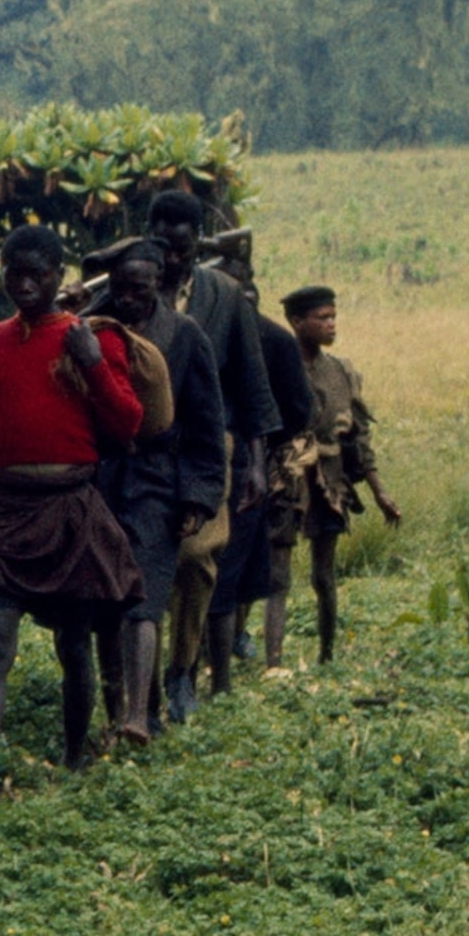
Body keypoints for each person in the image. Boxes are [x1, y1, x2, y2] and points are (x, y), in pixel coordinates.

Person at [0, 226, 144, 796]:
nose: (24, 285)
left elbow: (128, 424)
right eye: (13, 273)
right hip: (3, 510)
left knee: (74, 645)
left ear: (59, 275)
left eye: (38, 274)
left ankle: (76, 760)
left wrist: (94, 363)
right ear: (1, 272)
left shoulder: (91, 338)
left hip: (70, 509)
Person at [144, 190, 279, 722]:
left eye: (181, 249)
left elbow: (252, 387)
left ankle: (182, 671)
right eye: (163, 247)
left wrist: (256, 464)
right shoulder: (127, 289)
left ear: (197, 245)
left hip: (209, 448)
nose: (171, 260)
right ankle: (143, 688)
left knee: (198, 560)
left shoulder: (225, 296)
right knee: (146, 564)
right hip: (143, 451)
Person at [88, 242, 224, 744]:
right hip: (101, 477)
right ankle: (116, 708)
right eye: (118, 288)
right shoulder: (91, 329)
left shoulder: (186, 337)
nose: (126, 299)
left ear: (159, 284)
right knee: (104, 597)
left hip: (158, 479)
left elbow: (207, 424)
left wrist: (197, 496)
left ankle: (141, 716)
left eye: (138, 289)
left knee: (144, 597)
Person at [272, 284, 401, 662]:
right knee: (277, 571)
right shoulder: (282, 368)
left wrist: (379, 492)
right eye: (321, 318)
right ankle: (271, 659)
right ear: (297, 322)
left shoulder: (341, 372)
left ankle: (327, 656)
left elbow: (358, 437)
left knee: (324, 575)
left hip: (330, 480)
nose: (331, 325)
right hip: (288, 472)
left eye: (333, 317)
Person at [204, 275, 312, 688]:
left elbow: (294, 409)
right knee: (225, 566)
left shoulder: (255, 338)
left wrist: (267, 451)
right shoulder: (229, 335)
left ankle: (222, 663)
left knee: (232, 566)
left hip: (251, 462)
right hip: (243, 460)